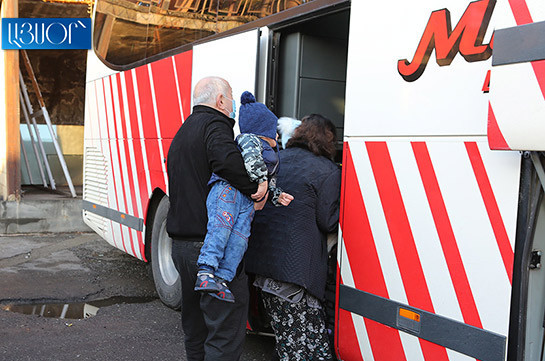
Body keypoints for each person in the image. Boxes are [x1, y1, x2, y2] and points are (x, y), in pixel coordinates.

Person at [166, 76, 267, 361]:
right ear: (221, 101)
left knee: (195, 327)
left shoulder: (183, 131)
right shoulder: (216, 126)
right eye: (231, 97)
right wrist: (255, 189)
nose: (233, 104)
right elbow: (226, 161)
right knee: (224, 329)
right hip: (213, 249)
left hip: (182, 249)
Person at [245, 114, 341, 361]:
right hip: (296, 274)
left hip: (263, 265)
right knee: (308, 349)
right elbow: (328, 221)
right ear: (328, 140)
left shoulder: (278, 160)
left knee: (294, 343)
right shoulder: (328, 171)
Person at [194, 91, 294, 303]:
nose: (277, 135)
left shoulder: (270, 151)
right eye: (273, 130)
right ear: (263, 129)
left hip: (245, 200)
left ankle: (221, 279)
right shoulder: (250, 140)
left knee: (239, 241)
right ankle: (205, 271)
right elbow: (252, 162)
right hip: (227, 192)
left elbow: (265, 182)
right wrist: (263, 182)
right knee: (220, 230)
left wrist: (276, 196)